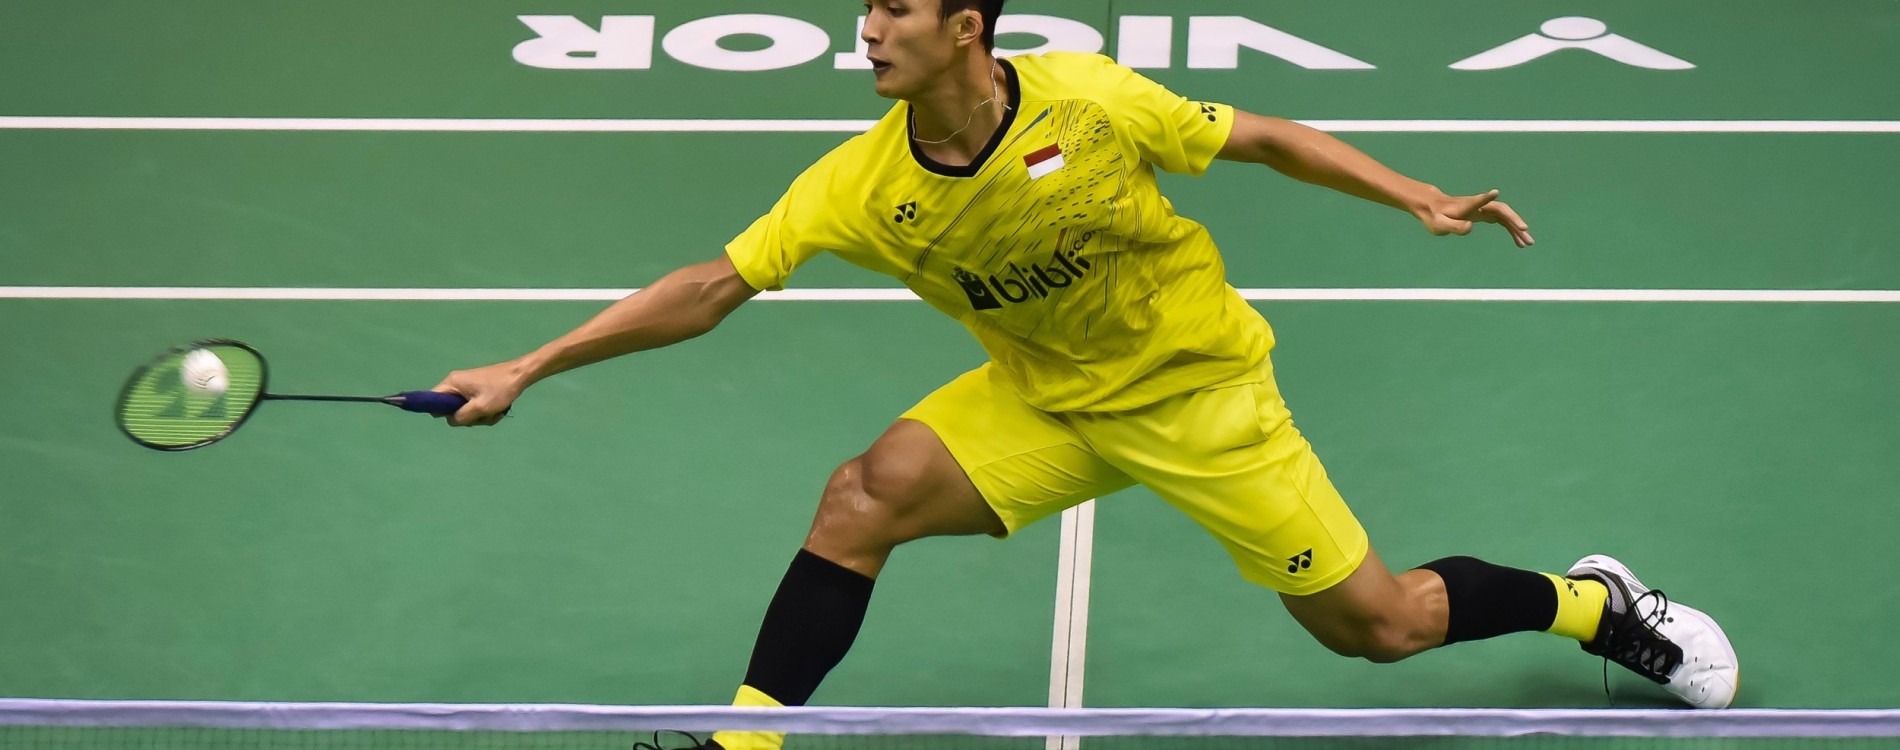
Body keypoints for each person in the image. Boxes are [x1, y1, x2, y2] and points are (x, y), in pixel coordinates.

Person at [433, 1, 1738, 746]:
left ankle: (1591, 602)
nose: (869, 27)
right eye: (867, 6)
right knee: (862, 495)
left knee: (1379, 626)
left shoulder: (1088, 100)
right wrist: (534, 363)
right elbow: (712, 283)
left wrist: (1416, 198)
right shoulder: (859, 183)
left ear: (964, 28)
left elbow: (1264, 135)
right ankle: (744, 738)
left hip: (1203, 396)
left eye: (898, 9)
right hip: (1048, 397)